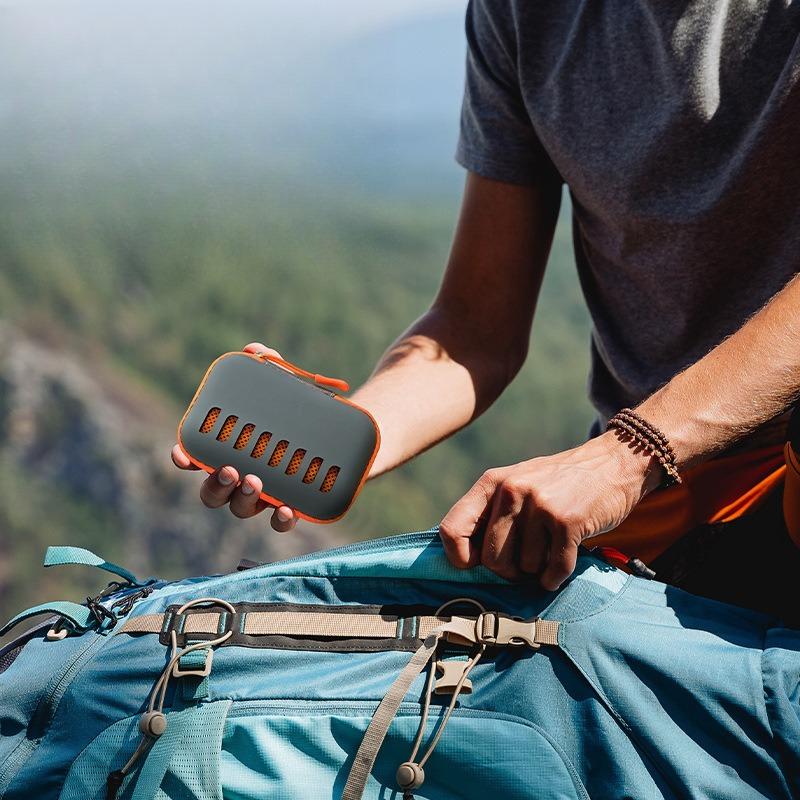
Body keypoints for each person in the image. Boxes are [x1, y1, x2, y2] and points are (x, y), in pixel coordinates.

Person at [172, 1, 800, 616]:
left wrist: (624, 456)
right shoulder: (526, 15)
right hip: (650, 501)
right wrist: (340, 441)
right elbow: (475, 327)